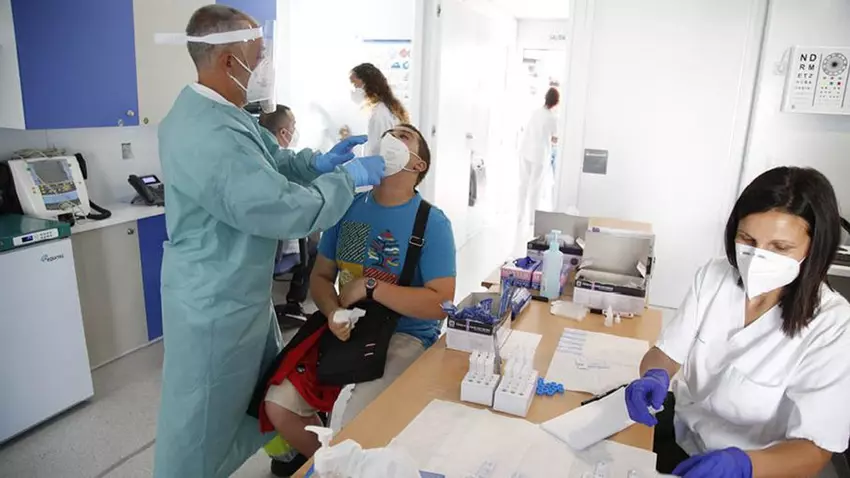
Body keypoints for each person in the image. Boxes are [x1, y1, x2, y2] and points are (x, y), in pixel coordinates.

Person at [153, 6, 386, 477]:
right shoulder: (206, 132)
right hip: (213, 302)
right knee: (200, 423)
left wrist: (315, 164)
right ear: (229, 61)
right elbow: (280, 207)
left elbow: (266, 164)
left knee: (258, 391)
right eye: (259, 56)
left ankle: (284, 452)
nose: (265, 66)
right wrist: (347, 179)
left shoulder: (222, 114)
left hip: (239, 292)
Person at [625, 166, 850, 477]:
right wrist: (654, 375)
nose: (757, 257)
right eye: (747, 239)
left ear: (814, 249)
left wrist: (742, 465)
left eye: (780, 247)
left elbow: (815, 450)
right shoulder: (715, 276)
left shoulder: (833, 325)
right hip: (684, 434)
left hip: (758, 467)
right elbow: (667, 353)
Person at [262, 124, 456, 459]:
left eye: (403, 136)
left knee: (353, 423)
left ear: (418, 164)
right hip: (346, 329)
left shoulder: (431, 223)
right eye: (389, 133)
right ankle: (331, 464)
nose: (391, 138)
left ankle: (347, 461)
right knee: (278, 405)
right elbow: (322, 276)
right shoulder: (349, 208)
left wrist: (372, 287)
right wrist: (333, 311)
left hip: (404, 335)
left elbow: (441, 302)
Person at [259, 105, 320, 319]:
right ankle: (295, 302)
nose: (295, 130)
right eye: (294, 125)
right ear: (284, 132)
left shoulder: (256, 158)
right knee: (317, 246)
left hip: (258, 249)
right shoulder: (289, 169)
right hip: (277, 252)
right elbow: (308, 208)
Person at [518, 87, 559, 226]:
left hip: (526, 151)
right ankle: (532, 219)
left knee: (523, 185)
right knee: (535, 188)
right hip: (539, 155)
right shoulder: (552, 118)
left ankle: (520, 215)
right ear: (556, 102)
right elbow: (555, 137)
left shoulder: (535, 113)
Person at [350, 63, 410, 155]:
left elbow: (377, 150)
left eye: (354, 85)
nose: (353, 90)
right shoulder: (385, 108)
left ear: (367, 85)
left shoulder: (380, 113)